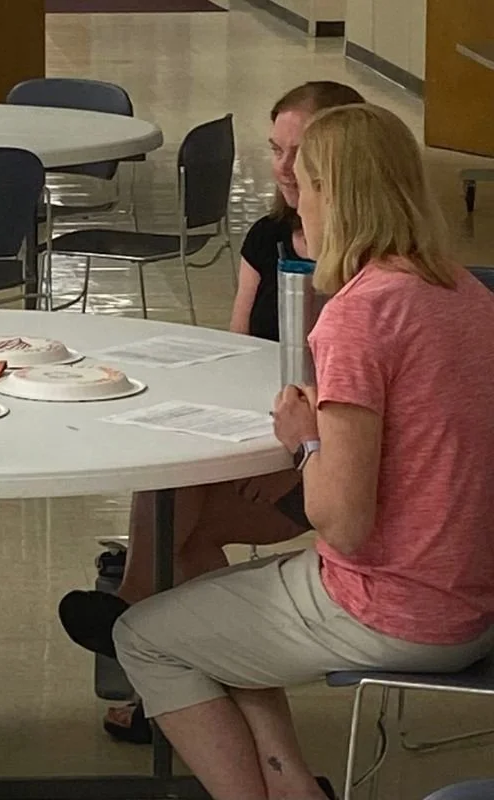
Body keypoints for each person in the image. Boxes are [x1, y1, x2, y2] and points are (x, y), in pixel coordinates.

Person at [107, 103, 494, 800]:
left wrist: (305, 437)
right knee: (203, 585)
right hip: (472, 592)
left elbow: (341, 522)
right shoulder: (465, 292)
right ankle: (290, 784)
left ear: (333, 196)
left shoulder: (359, 314)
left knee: (144, 637)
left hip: (396, 606)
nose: (296, 202)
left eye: (305, 185)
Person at [57, 81, 365, 744]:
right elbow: (238, 354)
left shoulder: (367, 271)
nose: (285, 169)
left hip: (327, 470)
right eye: (276, 150)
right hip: (267, 439)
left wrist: (294, 460)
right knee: (176, 504)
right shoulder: (269, 237)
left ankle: (138, 629)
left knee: (177, 522)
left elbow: (357, 415)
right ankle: (167, 669)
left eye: (302, 154)